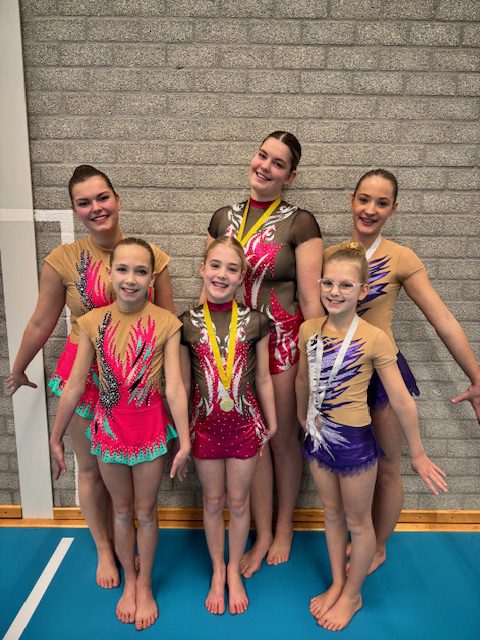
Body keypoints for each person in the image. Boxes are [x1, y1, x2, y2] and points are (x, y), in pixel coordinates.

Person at [4, 165, 175, 589]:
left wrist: (175, 393)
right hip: (83, 381)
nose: (96, 208)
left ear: (117, 199)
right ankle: (105, 548)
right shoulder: (62, 259)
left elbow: (169, 323)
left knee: (132, 477)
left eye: (102, 198)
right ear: (75, 210)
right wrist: (19, 366)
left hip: (133, 387)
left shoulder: (151, 256)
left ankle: (133, 544)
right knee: (93, 469)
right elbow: (41, 321)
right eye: (84, 202)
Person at [324, 169, 480, 575]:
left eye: (381, 203)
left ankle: (378, 546)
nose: (369, 209)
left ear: (394, 208)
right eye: (363, 199)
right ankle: (357, 534)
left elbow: (442, 319)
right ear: (351, 200)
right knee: (347, 465)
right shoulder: (332, 255)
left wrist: (476, 377)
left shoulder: (401, 257)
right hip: (338, 375)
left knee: (388, 466)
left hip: (382, 373)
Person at [295, 242, 447, 631]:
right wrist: (301, 416)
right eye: (328, 283)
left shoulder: (375, 338)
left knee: (359, 522)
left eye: (346, 285)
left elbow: (401, 401)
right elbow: (302, 379)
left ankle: (353, 594)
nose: (335, 291)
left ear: (363, 291)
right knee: (331, 513)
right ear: (319, 284)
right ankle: (338, 583)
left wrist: (418, 453)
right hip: (318, 438)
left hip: (354, 443)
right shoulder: (309, 331)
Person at [50, 237, 190, 631]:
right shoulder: (91, 322)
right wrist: (56, 436)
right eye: (123, 270)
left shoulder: (167, 323)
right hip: (109, 432)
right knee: (123, 511)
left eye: (141, 271)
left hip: (149, 433)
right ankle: (130, 579)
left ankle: (144, 585)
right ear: (109, 274)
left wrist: (185, 440)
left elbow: (175, 388)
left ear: (151, 279)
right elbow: (75, 386)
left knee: (146, 512)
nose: (131, 279)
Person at [205, 131, 323, 576]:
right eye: (262, 155)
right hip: (233, 347)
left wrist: (313, 363)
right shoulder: (223, 218)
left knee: (281, 439)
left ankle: (284, 526)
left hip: (281, 345)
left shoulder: (301, 223)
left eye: (278, 163)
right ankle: (261, 533)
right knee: (250, 443)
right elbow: (210, 286)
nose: (265, 166)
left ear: (289, 176)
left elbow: (311, 301)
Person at [180, 237, 277, 614]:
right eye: (215, 265)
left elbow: (264, 378)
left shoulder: (256, 322)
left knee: (238, 501)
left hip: (244, 426)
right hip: (203, 428)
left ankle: (234, 569)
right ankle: (217, 569)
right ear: (202, 269)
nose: (222, 274)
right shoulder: (186, 324)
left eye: (231, 269)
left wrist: (271, 421)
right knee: (213, 500)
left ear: (241, 277)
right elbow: (183, 385)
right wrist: (181, 434)